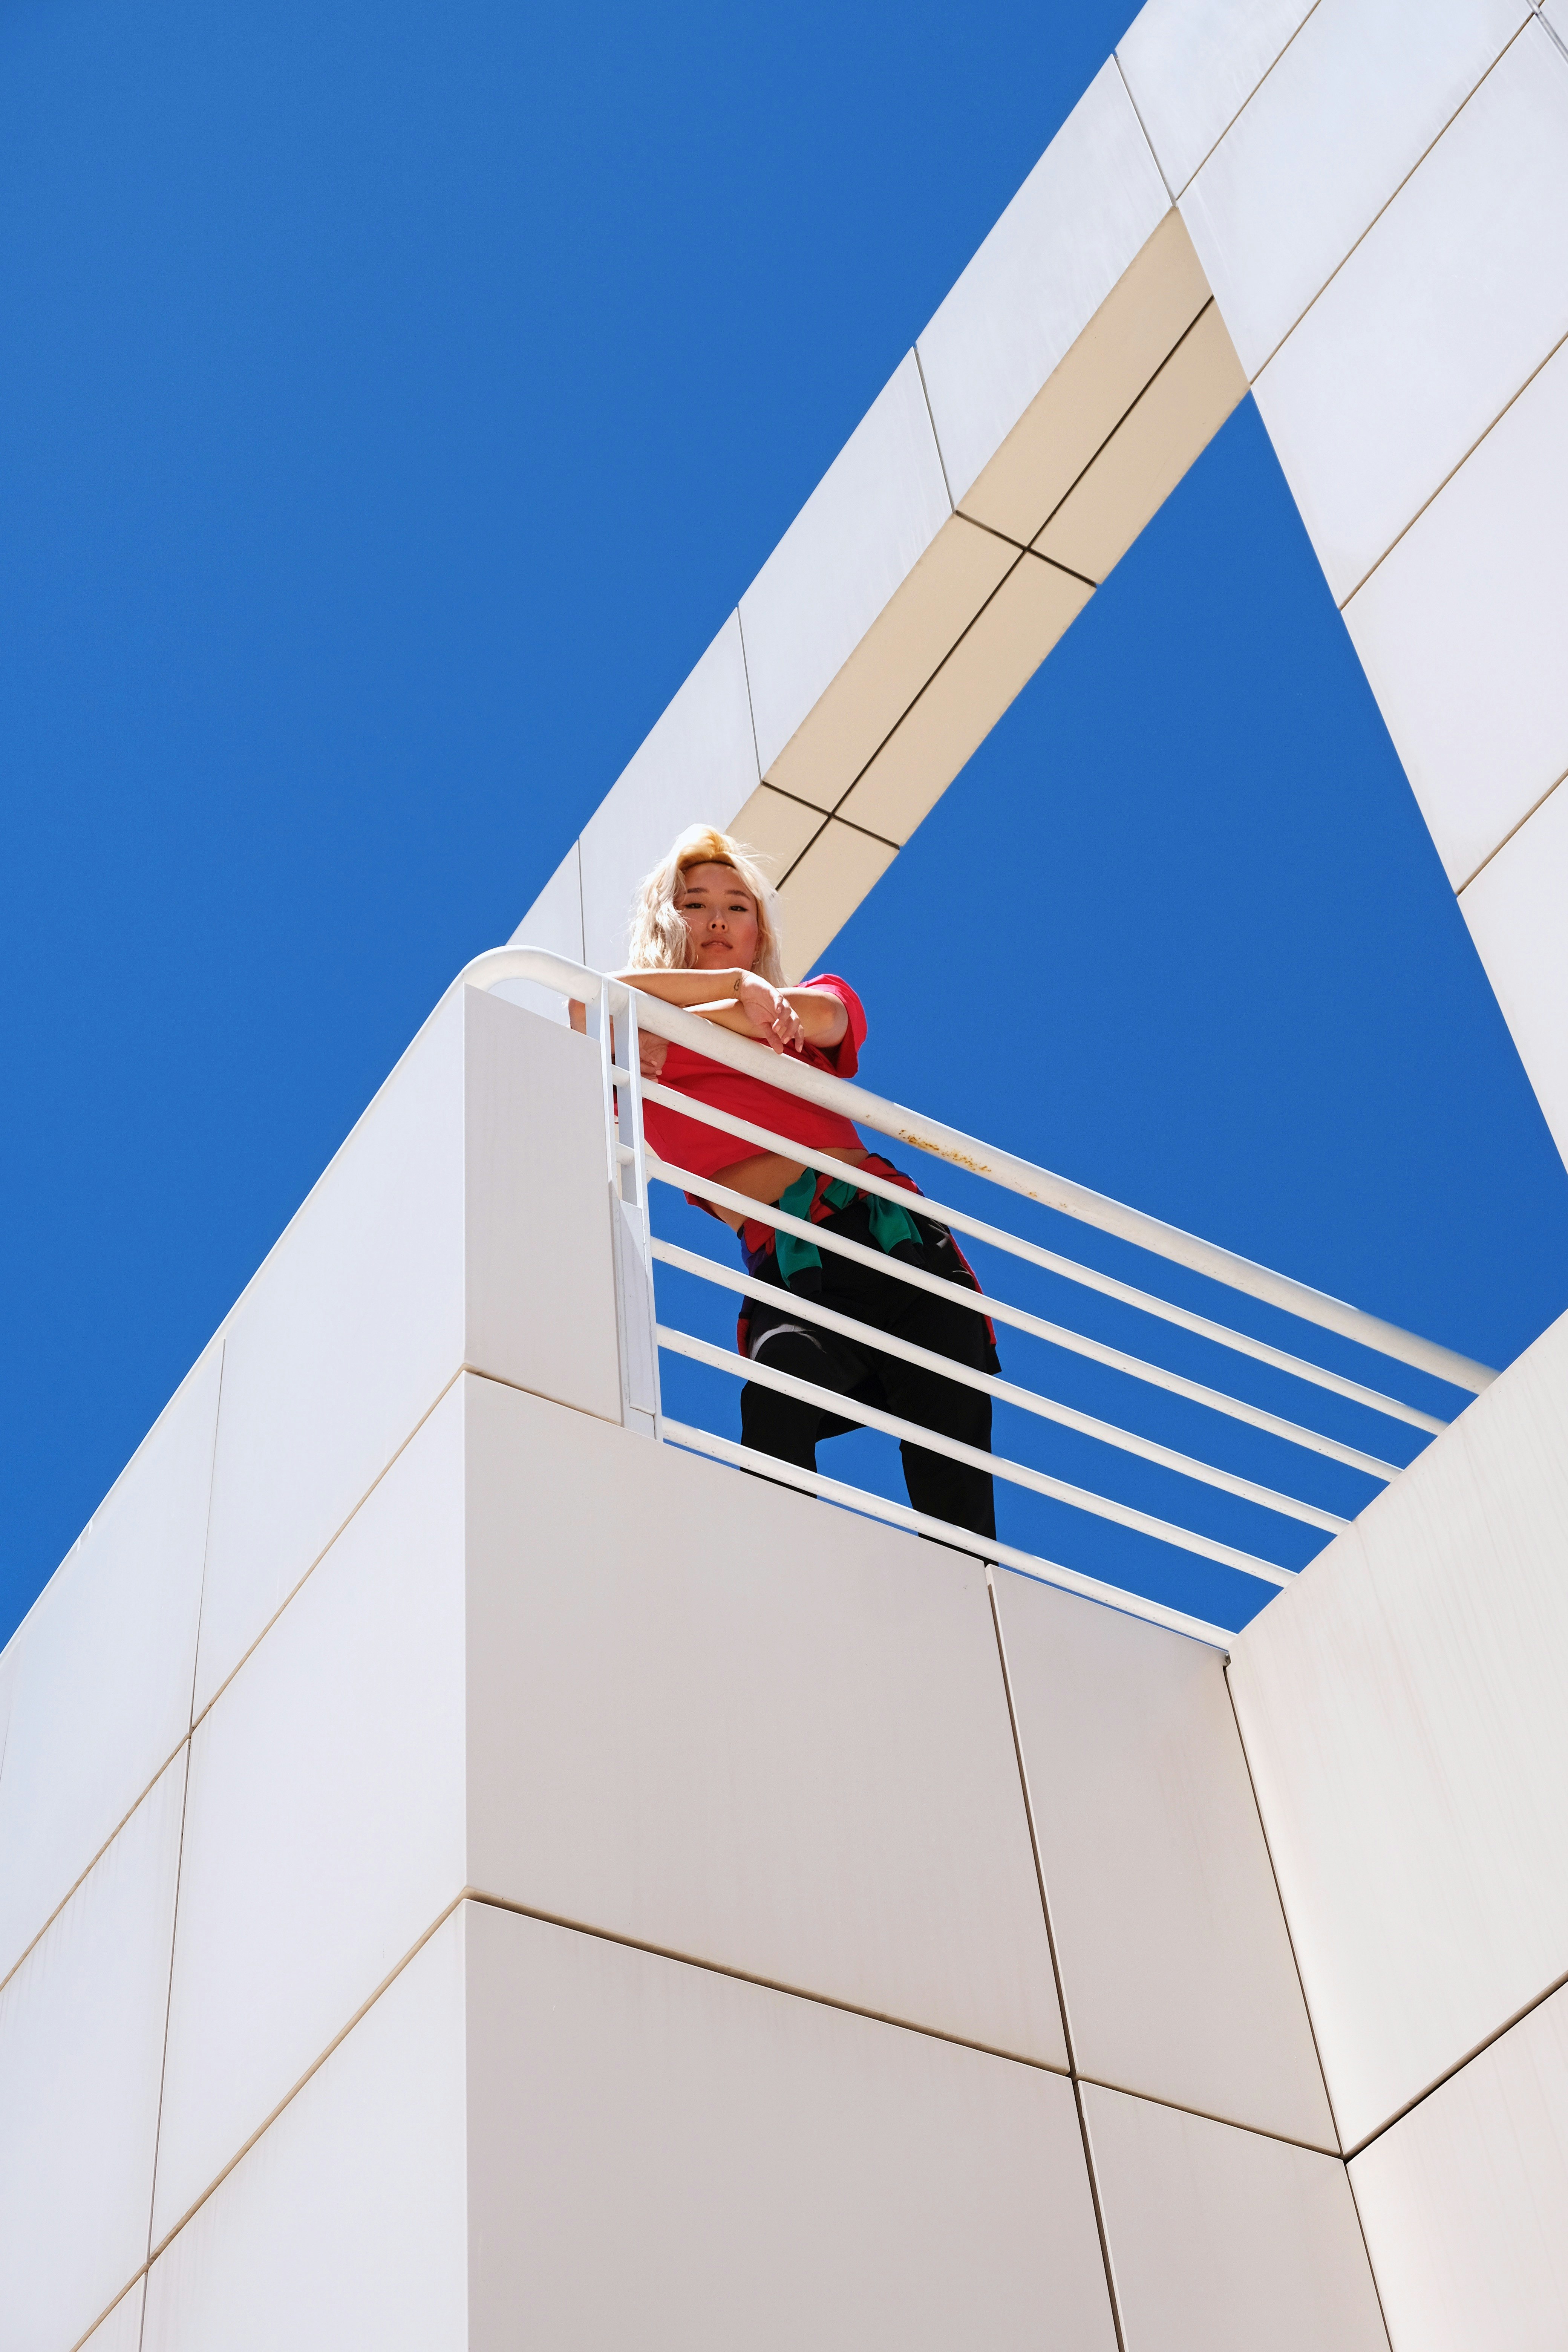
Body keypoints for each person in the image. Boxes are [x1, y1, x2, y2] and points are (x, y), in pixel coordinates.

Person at [607, 823, 997, 1545]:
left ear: (760, 931)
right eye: (694, 904)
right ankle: (780, 1577)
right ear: (666, 920)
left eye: (738, 906)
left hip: (893, 1236)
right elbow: (584, 1005)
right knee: (781, 1383)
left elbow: (826, 1015)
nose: (718, 918)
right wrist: (732, 989)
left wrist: (680, 1018)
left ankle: (976, 1605)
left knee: (952, 1459)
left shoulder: (794, 1007)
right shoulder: (632, 1039)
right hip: (792, 1259)